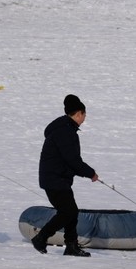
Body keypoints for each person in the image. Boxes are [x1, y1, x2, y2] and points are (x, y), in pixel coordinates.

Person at [31, 94, 99, 257]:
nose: (85, 118)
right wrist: (90, 173)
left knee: (71, 212)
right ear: (79, 113)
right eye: (84, 115)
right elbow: (72, 160)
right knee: (67, 212)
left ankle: (71, 246)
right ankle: (41, 238)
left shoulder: (63, 128)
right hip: (55, 178)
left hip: (58, 178)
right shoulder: (65, 131)